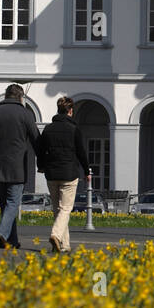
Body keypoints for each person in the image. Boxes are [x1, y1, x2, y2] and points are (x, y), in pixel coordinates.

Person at [0, 83, 41, 250]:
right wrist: (43, 164)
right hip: (17, 168)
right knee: (12, 203)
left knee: (5, 204)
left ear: (6, 96)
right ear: (20, 97)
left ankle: (11, 241)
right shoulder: (26, 115)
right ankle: (2, 233)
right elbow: (36, 141)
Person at [36, 96, 90, 253]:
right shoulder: (74, 129)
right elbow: (81, 153)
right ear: (71, 111)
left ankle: (64, 245)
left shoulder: (48, 129)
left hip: (51, 173)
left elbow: (40, 151)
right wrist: (87, 171)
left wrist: (41, 166)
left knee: (57, 210)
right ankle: (56, 235)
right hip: (69, 173)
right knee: (66, 209)